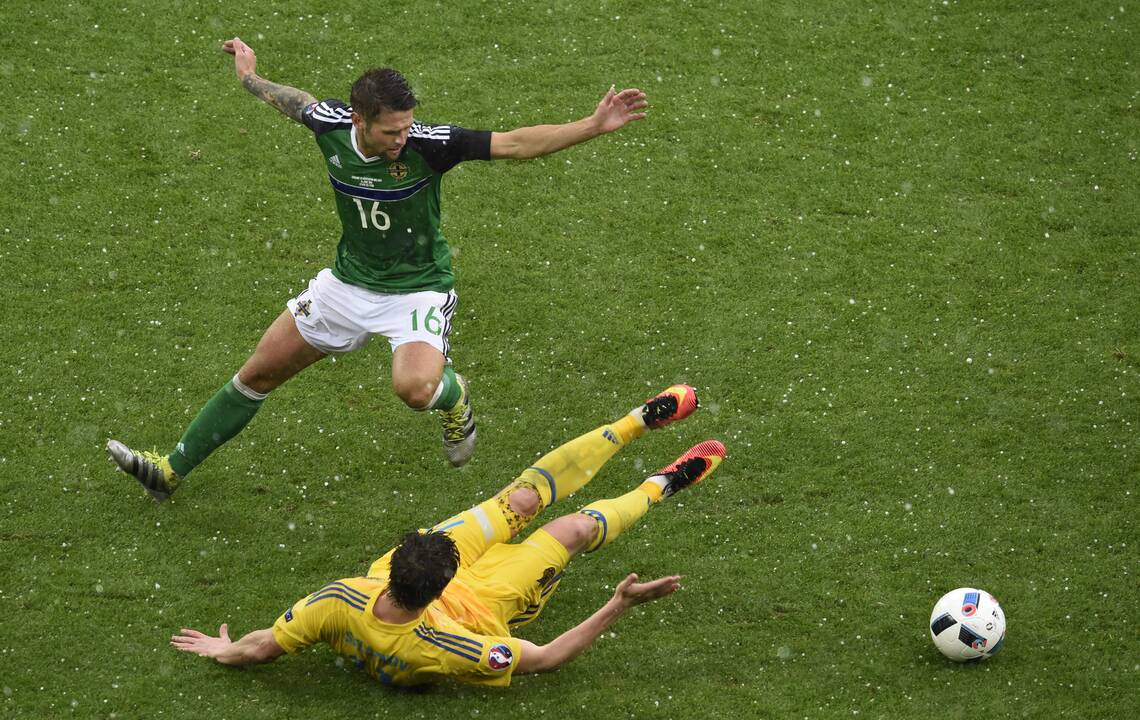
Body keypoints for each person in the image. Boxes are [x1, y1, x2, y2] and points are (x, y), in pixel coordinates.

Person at [106, 37, 651, 501]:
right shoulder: (331, 128)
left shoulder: (431, 146)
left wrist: (593, 125)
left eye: (407, 128)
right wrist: (250, 76)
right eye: (391, 132)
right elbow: (294, 101)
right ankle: (170, 471)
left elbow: (514, 144)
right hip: (346, 284)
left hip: (416, 290)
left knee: (414, 389)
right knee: (258, 372)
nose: (402, 140)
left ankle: (452, 396)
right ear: (359, 122)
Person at [170, 384, 725, 687]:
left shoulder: (341, 599)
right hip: (484, 604)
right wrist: (619, 603)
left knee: (522, 500)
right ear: (440, 585)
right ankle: (665, 483)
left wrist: (225, 649)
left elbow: (264, 646)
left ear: (389, 567)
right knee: (574, 528)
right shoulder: (447, 648)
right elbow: (548, 657)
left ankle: (637, 421)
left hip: (430, 582)